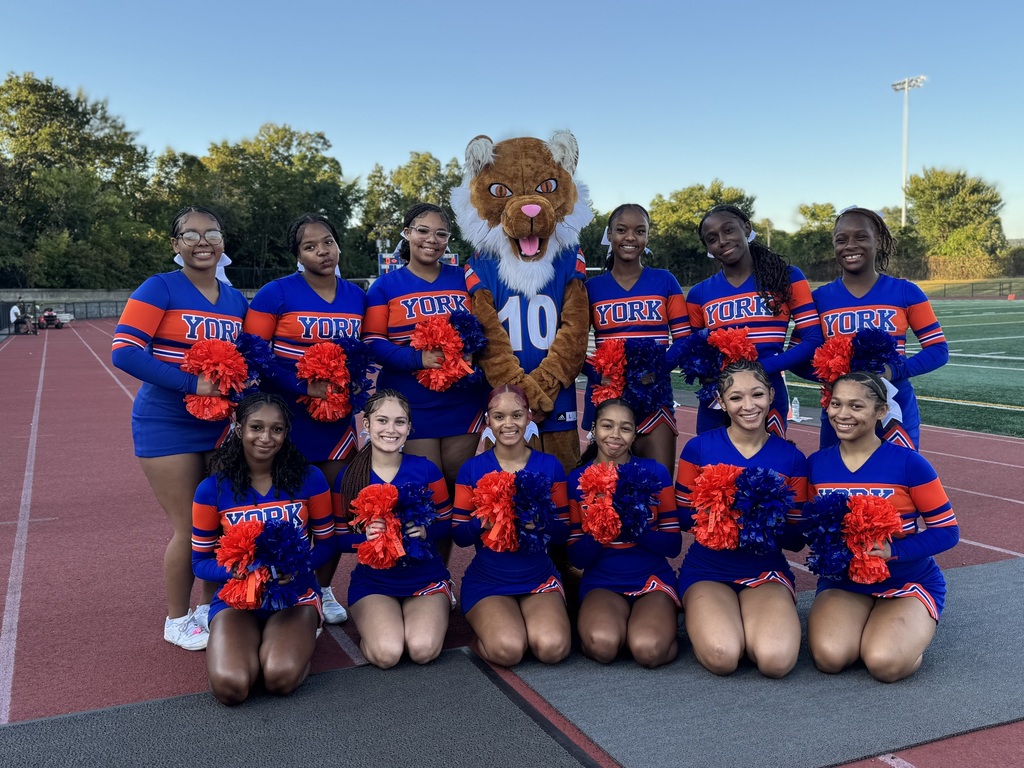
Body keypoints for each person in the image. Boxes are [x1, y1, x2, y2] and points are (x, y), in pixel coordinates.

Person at [112, 206, 248, 650]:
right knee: (190, 526)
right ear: (175, 245)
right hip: (165, 422)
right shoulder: (160, 287)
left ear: (223, 242)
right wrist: (195, 382)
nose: (203, 241)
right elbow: (126, 352)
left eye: (212, 233)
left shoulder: (235, 301)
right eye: (191, 235)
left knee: (220, 521)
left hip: (218, 426)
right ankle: (176, 618)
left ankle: (211, 609)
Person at [243, 213, 368, 624]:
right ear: (297, 254)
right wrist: (303, 386)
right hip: (288, 421)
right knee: (285, 506)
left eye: (328, 242)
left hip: (336, 423)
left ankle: (325, 588)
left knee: (332, 508)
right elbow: (255, 356)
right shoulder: (274, 294)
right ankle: (280, 584)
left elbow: (362, 357)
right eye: (310, 246)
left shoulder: (356, 295)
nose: (322, 252)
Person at [806, 371, 959, 682]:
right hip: (844, 582)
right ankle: (870, 622)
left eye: (856, 406)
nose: (843, 414)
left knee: (883, 663)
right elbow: (807, 527)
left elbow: (947, 531)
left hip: (906, 581)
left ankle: (903, 635)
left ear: (881, 412)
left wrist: (893, 550)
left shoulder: (910, 464)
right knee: (830, 658)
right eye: (836, 404)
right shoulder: (817, 464)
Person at [192, 393, 333, 704]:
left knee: (279, 678)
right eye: (256, 427)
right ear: (239, 428)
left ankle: (298, 643)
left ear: (286, 433)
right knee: (231, 687)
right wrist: (237, 570)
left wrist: (299, 566)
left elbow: (327, 543)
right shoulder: (211, 489)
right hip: (237, 600)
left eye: (277, 429)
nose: (266, 438)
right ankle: (256, 645)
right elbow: (200, 562)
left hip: (295, 597)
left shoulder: (311, 478)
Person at [674, 360, 808, 677]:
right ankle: (720, 617)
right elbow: (682, 518)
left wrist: (765, 519)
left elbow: (796, 539)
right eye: (735, 398)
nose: (748, 406)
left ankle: (750, 623)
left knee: (776, 661)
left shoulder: (791, 458)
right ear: (721, 402)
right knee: (723, 656)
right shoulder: (698, 449)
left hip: (765, 570)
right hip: (709, 569)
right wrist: (721, 513)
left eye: (757, 394)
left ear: (772, 395)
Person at [363, 203, 485, 539]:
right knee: (426, 492)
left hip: (463, 402)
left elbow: (487, 331)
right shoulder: (384, 286)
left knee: (458, 491)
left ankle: (444, 579)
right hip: (411, 404)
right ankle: (426, 577)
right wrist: (418, 360)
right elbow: (373, 342)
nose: (431, 239)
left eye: (441, 233)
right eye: (422, 230)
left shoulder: (465, 278)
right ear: (407, 234)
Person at [808, 207, 948, 450]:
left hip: (894, 408)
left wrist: (892, 371)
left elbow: (938, 350)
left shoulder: (906, 292)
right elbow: (801, 357)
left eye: (861, 237)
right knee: (836, 482)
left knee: (897, 482)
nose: (850, 245)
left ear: (879, 241)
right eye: (841, 240)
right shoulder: (819, 299)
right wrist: (835, 376)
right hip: (840, 412)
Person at [452, 384, 571, 667]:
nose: (508, 424)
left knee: (553, 650)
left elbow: (564, 532)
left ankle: (522, 622)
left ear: (529, 417)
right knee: (509, 651)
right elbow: (458, 535)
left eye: (516, 415)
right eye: (499, 416)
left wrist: (540, 523)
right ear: (488, 421)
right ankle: (490, 632)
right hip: (489, 581)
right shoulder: (472, 468)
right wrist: (483, 522)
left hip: (538, 578)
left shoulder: (549, 466)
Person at [334, 389, 453, 668]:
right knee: (387, 655)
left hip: (424, 578)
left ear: (409, 428)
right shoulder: (349, 476)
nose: (391, 429)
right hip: (375, 583)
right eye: (382, 420)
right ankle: (378, 627)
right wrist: (365, 538)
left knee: (422, 651)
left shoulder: (427, 470)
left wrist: (426, 533)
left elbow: (447, 524)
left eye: (400, 422)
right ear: (367, 425)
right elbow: (336, 539)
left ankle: (443, 594)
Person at [689, 204, 822, 437]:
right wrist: (710, 372)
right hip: (716, 398)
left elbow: (812, 339)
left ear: (746, 228)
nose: (722, 240)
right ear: (708, 247)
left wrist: (758, 369)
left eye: (729, 230)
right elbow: (693, 351)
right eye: (712, 238)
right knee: (712, 469)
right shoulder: (699, 293)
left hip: (768, 392)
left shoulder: (787, 276)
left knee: (767, 470)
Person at [567, 398, 682, 668]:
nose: (615, 435)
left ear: (634, 434)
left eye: (625, 428)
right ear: (594, 429)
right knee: (603, 647)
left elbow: (673, 545)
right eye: (607, 426)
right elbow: (576, 558)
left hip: (651, 581)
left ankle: (663, 631)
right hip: (603, 583)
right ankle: (613, 627)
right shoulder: (577, 479)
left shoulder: (655, 472)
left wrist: (636, 529)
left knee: (648, 650)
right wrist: (601, 528)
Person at [583, 204, 690, 475]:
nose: (630, 237)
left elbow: (684, 340)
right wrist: (597, 376)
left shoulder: (665, 281)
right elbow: (572, 348)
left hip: (655, 399)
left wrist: (656, 370)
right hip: (610, 401)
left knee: (660, 485)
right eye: (621, 230)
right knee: (607, 491)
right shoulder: (591, 288)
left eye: (639, 231)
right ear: (609, 234)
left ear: (647, 237)